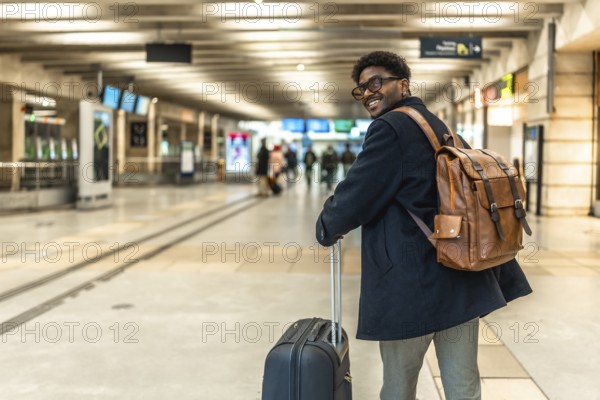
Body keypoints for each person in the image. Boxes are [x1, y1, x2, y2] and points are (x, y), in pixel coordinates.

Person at [315, 51, 532, 400]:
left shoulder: (389, 128)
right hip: (460, 275)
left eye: (376, 83)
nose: (368, 93)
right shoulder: (437, 124)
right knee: (463, 386)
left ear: (403, 84)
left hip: (410, 286)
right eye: (361, 89)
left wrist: (327, 225)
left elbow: (358, 194)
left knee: (399, 387)